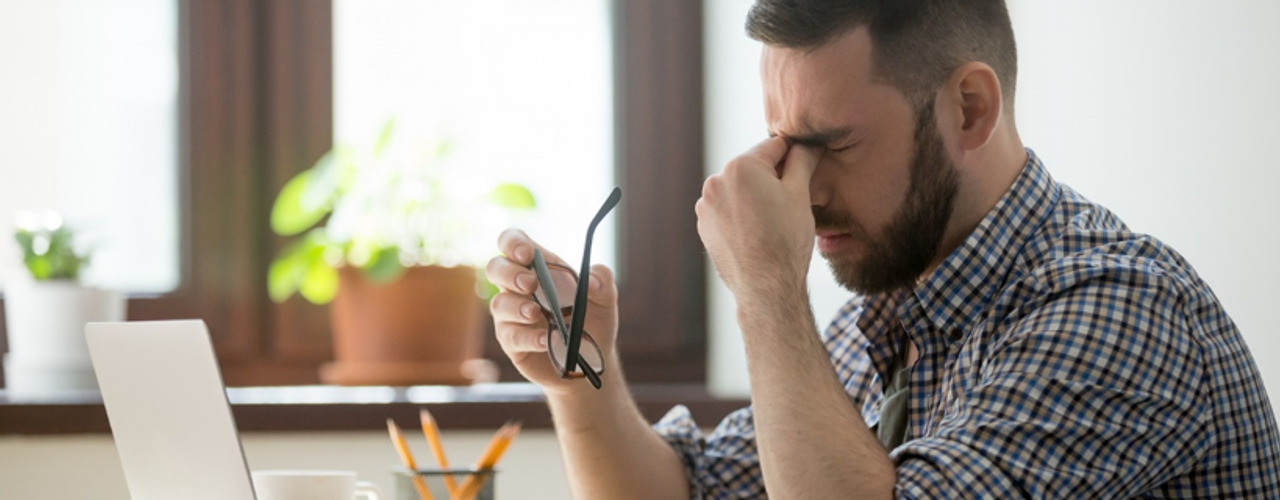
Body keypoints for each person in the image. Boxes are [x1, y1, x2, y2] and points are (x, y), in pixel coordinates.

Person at [484, 0, 1280, 498]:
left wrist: (767, 287)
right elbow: (688, 493)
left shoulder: (1120, 311)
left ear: (969, 109)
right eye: (783, 146)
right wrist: (579, 382)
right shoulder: (890, 317)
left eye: (833, 144)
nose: (801, 188)